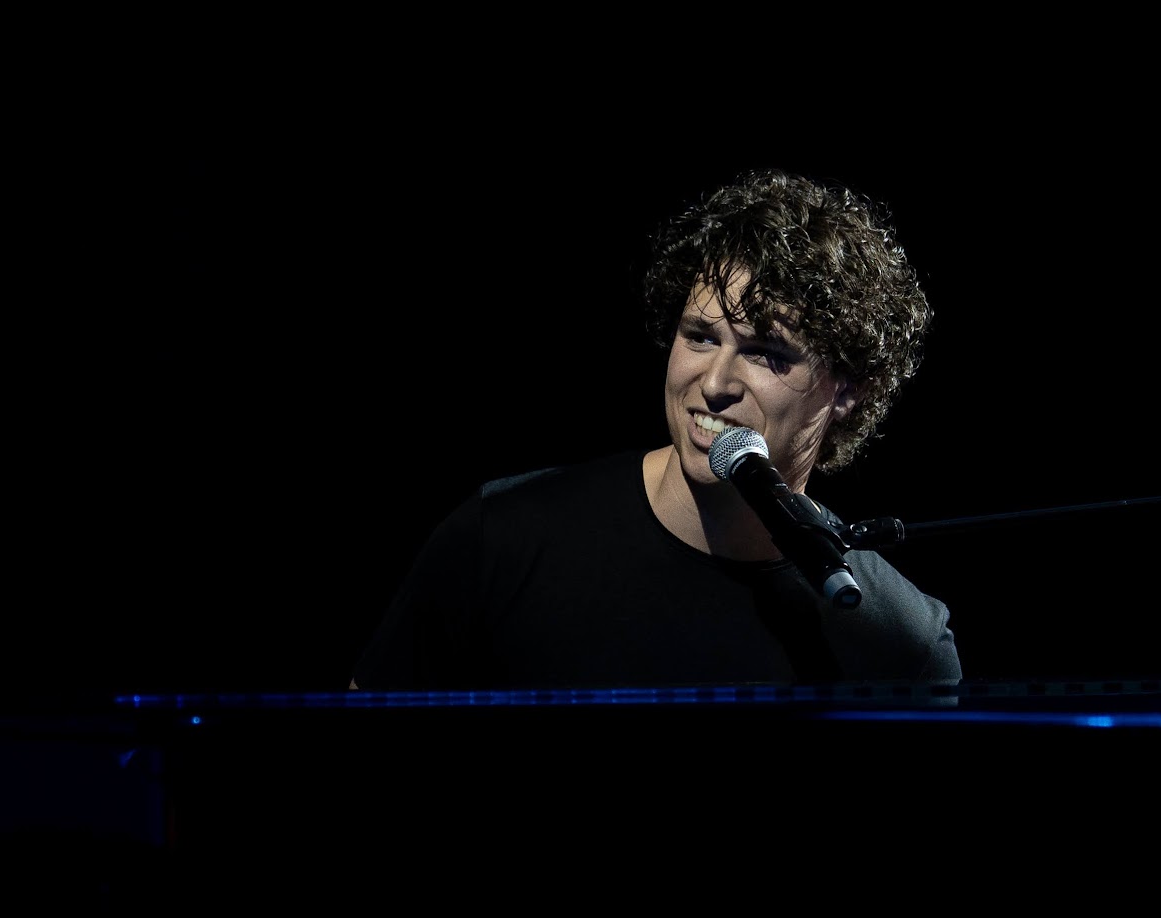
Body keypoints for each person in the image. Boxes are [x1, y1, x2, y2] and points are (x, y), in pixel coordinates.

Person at [350, 168, 961, 692]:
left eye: (765, 353)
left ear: (849, 389)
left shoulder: (901, 641)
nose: (714, 382)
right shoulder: (501, 537)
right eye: (700, 337)